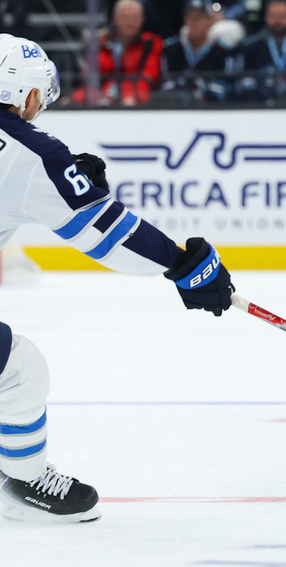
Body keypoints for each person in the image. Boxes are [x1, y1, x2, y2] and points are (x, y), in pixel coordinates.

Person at [0, 34, 234, 522]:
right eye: (39, 97)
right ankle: (23, 483)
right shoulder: (29, 152)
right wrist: (182, 266)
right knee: (19, 371)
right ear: (25, 92)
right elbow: (106, 234)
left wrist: (69, 181)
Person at [72, 0, 163, 107]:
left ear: (142, 20)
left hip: (137, 97)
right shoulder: (102, 43)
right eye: (125, 17)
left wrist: (126, 94)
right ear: (115, 18)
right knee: (78, 97)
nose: (130, 22)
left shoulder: (151, 43)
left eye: (135, 18)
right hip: (103, 95)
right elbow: (90, 75)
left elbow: (149, 76)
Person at [159, 0, 235, 103]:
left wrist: (201, 87)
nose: (194, 22)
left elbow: (225, 87)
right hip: (177, 109)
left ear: (209, 21)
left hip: (210, 109)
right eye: (191, 17)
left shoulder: (221, 52)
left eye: (199, 17)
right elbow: (165, 85)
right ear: (185, 20)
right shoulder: (171, 49)